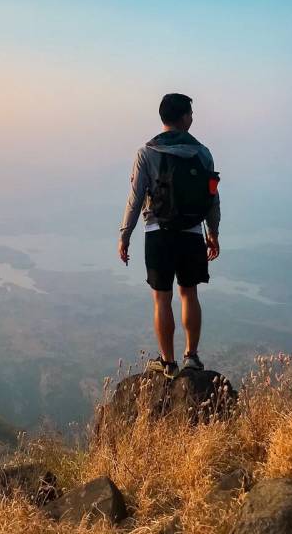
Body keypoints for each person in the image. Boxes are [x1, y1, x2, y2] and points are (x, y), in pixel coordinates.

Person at [118, 93, 221, 379]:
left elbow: (136, 198)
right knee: (189, 293)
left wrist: (125, 235)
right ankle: (192, 357)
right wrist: (213, 233)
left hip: (157, 233)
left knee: (161, 299)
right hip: (191, 234)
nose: (193, 118)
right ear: (183, 117)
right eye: (190, 113)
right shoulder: (202, 153)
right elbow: (212, 197)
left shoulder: (146, 153)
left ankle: (168, 363)